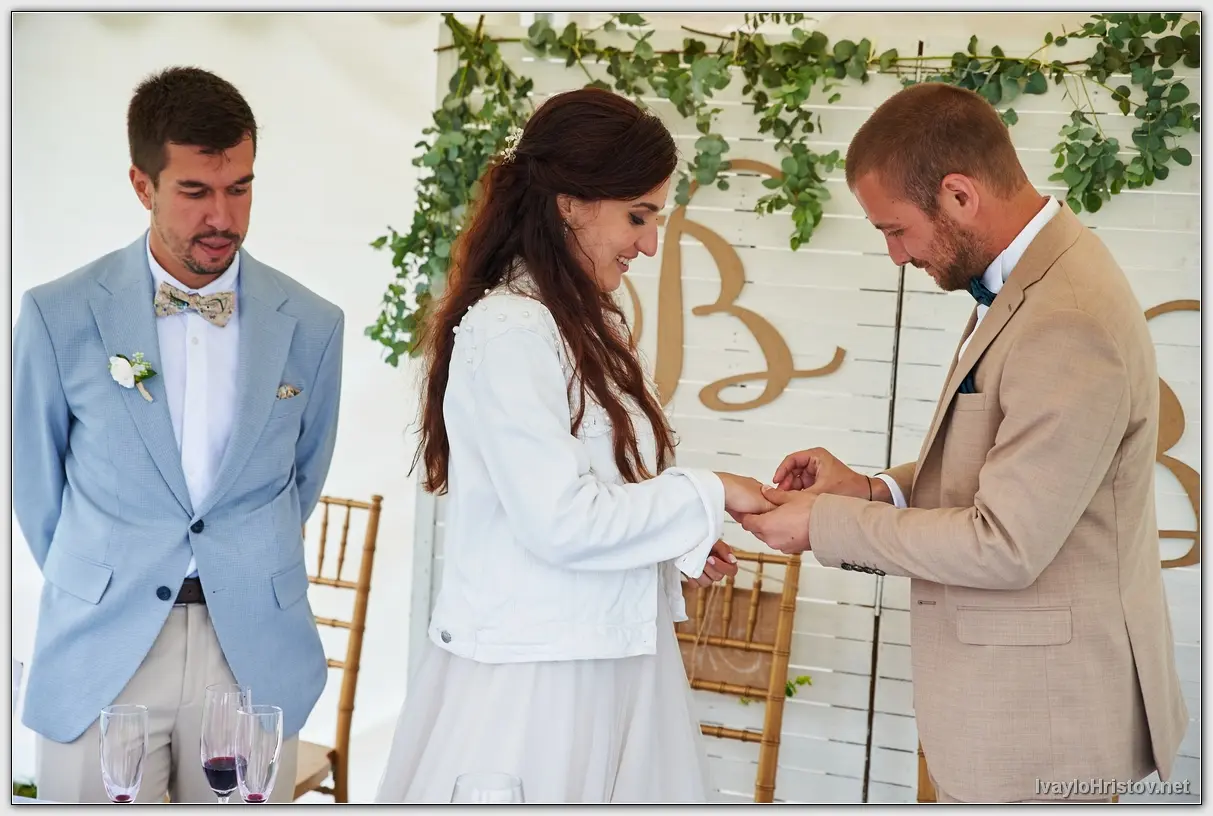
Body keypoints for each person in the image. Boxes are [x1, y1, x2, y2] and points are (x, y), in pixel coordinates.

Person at [736, 82, 1189, 803]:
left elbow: (1004, 544)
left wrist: (824, 523)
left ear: (958, 195)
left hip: (1044, 729)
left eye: (895, 230)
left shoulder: (1066, 317)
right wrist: (870, 489)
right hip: (1014, 715)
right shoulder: (1029, 278)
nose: (894, 255)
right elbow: (1004, 463)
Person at [374, 87, 774, 804]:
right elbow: (558, 520)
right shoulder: (511, 330)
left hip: (615, 661)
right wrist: (710, 492)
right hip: (540, 686)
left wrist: (671, 537)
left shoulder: (591, 325)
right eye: (638, 216)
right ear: (570, 205)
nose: (649, 243)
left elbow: (603, 493)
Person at [13, 66, 344, 803]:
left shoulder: (314, 324)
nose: (222, 216)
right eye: (195, 191)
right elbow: (35, 487)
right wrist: (104, 573)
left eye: (240, 188)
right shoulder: (57, 314)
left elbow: (303, 476)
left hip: (251, 648)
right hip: (105, 645)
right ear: (143, 185)